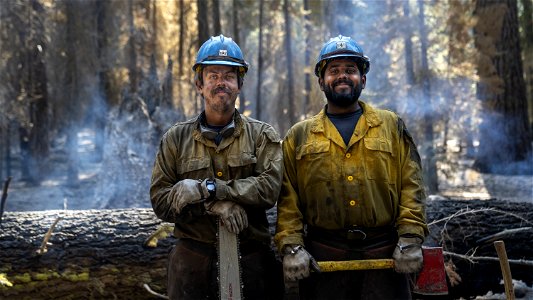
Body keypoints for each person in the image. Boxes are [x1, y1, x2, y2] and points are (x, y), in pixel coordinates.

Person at [275, 35, 428, 299]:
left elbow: (411, 186)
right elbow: (288, 200)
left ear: (363, 80)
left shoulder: (391, 126)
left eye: (350, 70)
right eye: (334, 71)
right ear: (322, 82)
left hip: (386, 257)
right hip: (323, 260)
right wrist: (291, 248)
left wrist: (411, 238)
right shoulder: (298, 136)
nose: (342, 76)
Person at [150, 34, 284, 300]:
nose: (221, 82)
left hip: (252, 263)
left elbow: (269, 189)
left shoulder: (262, 135)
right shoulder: (176, 138)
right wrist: (213, 204)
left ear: (239, 84)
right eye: (213, 75)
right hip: (192, 265)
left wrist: (209, 189)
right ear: (199, 84)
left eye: (228, 76)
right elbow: (160, 201)